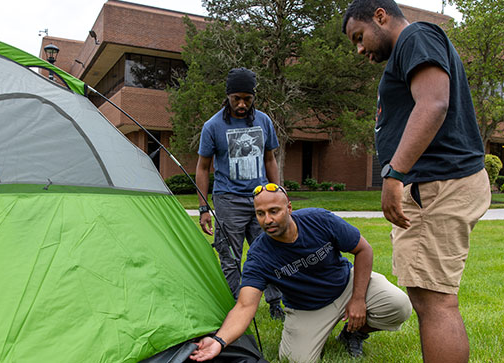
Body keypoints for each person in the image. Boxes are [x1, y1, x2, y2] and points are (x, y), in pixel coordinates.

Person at [342, 1, 491, 362]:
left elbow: (434, 102)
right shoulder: (410, 49)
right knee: (429, 298)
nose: (360, 49)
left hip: (437, 183)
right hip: (434, 184)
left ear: (380, 15)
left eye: (359, 37)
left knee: (435, 301)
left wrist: (394, 173)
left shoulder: (416, 36)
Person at [190, 184, 412, 362]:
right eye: (260, 214)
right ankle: (322, 332)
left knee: (399, 305)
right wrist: (219, 340)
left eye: (273, 211)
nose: (267, 220)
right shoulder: (259, 256)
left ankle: (354, 333)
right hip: (307, 308)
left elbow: (363, 249)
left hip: (346, 285)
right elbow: (245, 306)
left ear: (289, 208)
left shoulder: (319, 220)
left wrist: (358, 299)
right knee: (294, 359)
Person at [196, 67, 284, 320]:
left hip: (261, 198)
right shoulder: (213, 126)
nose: (242, 104)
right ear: (228, 97)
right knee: (230, 255)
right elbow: (202, 168)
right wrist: (204, 208)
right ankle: (238, 305)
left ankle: (276, 302)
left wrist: (277, 192)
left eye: (247, 98)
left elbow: (270, 159)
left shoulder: (264, 121)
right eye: (237, 99)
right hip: (228, 200)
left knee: (269, 249)